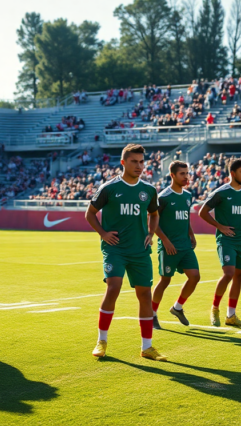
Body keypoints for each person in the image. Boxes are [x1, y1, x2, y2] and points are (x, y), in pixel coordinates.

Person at [86, 144, 165, 361]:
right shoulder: (109, 188)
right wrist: (103, 233)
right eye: (134, 162)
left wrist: (151, 232)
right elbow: (90, 214)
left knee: (145, 296)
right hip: (115, 249)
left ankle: (147, 347)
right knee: (113, 288)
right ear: (123, 162)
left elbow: (155, 214)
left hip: (140, 251)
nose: (139, 166)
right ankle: (101, 341)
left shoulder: (149, 190)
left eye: (142, 162)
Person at [199, 159, 241, 329]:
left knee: (239, 276)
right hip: (226, 240)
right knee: (229, 273)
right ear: (233, 173)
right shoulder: (221, 192)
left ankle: (231, 315)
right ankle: (215, 308)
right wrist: (219, 226)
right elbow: (203, 212)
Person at [151, 161, 200, 329]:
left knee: (195, 277)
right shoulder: (163, 197)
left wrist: (191, 234)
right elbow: (153, 221)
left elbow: (185, 217)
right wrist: (165, 241)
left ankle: (177, 308)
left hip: (185, 245)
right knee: (165, 281)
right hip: (168, 247)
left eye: (187, 173)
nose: (186, 177)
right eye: (182, 174)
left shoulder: (187, 196)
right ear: (172, 175)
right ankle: (152, 314)